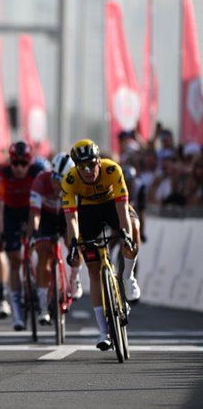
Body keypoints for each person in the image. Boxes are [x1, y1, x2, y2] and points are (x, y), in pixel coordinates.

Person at [62, 139, 141, 351]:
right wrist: (73, 244)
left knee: (133, 227)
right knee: (94, 269)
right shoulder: (69, 180)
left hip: (112, 204)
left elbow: (122, 208)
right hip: (88, 211)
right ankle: (103, 331)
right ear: (76, 167)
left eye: (91, 164)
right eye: (82, 167)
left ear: (99, 161)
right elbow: (71, 219)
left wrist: (125, 234)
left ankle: (128, 277)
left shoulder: (112, 169)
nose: (88, 171)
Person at [0, 141, 45, 331]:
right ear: (10, 162)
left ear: (30, 163)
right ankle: (17, 311)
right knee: (14, 260)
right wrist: (0, 234)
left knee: (41, 249)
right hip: (10, 213)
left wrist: (35, 231)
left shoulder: (37, 172)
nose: (19, 168)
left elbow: (42, 204)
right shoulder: (2, 175)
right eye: (15, 163)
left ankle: (42, 296)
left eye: (24, 164)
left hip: (33, 210)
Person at [28, 152, 79, 325]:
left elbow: (76, 218)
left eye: (62, 179)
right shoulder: (40, 181)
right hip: (46, 218)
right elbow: (35, 214)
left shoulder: (75, 184)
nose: (57, 183)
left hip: (66, 216)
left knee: (75, 243)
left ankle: (75, 279)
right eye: (55, 178)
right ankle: (43, 305)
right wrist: (34, 233)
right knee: (44, 254)